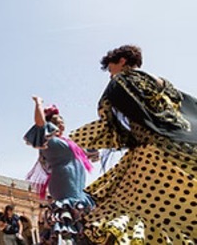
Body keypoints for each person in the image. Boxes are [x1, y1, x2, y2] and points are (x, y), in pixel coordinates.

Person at [69, 45, 196, 243]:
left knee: (133, 213)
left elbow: (112, 123)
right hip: (183, 150)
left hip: (152, 157)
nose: (111, 77)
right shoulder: (161, 83)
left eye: (111, 70)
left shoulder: (122, 81)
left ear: (122, 62)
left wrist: (79, 142)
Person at [24, 98, 95, 244]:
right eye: (57, 121)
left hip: (78, 191)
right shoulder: (50, 142)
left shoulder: (71, 143)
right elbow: (40, 124)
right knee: (66, 221)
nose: (62, 123)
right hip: (64, 188)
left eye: (62, 121)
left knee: (79, 223)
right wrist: (38, 104)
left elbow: (93, 150)